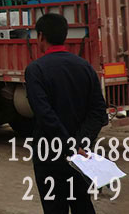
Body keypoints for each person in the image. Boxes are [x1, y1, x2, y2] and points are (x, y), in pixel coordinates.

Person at [24, 13, 108, 214]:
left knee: (54, 208)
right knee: (82, 205)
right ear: (64, 35)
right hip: (81, 158)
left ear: (41, 36)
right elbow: (99, 112)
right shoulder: (85, 67)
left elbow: (46, 115)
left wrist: (69, 146)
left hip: (49, 155)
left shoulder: (36, 70)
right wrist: (80, 144)